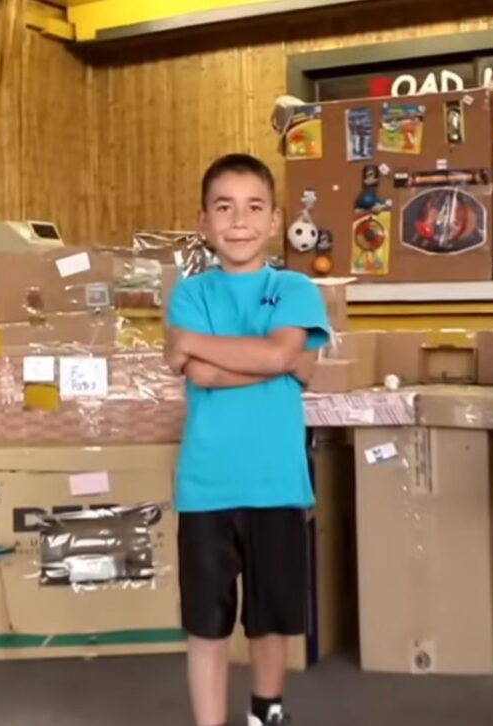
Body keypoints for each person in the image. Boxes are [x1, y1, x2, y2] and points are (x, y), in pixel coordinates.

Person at [164, 153, 329, 726]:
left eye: (254, 207)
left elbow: (281, 351)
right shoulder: (189, 295)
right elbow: (214, 372)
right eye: (224, 208)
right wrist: (280, 362)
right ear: (204, 222)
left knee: (270, 619)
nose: (239, 221)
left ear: (276, 219)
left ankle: (266, 712)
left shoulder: (295, 287)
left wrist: (210, 349)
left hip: (277, 482)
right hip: (205, 486)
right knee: (206, 626)